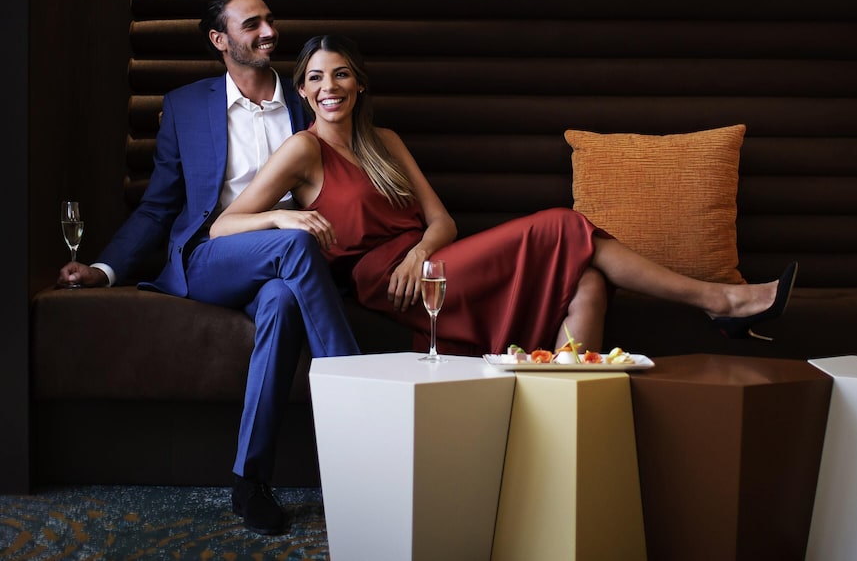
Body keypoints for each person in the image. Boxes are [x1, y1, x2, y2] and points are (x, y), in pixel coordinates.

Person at [209, 34, 797, 358]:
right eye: (315, 77)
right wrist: (284, 221)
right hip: (387, 287)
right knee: (563, 224)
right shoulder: (302, 150)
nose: (328, 86)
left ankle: (567, 414)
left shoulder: (385, 140)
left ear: (359, 83)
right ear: (302, 92)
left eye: (340, 74)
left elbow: (441, 221)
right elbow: (222, 226)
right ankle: (720, 300)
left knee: (590, 282)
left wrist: (420, 252)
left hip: (430, 265)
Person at [57, 0, 358, 536]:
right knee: (293, 243)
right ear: (220, 40)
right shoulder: (186, 106)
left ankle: (250, 480)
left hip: (286, 269)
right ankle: (360, 393)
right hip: (211, 257)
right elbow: (159, 205)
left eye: (269, 20)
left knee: (282, 303)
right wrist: (104, 268)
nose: (269, 32)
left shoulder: (307, 98)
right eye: (252, 25)